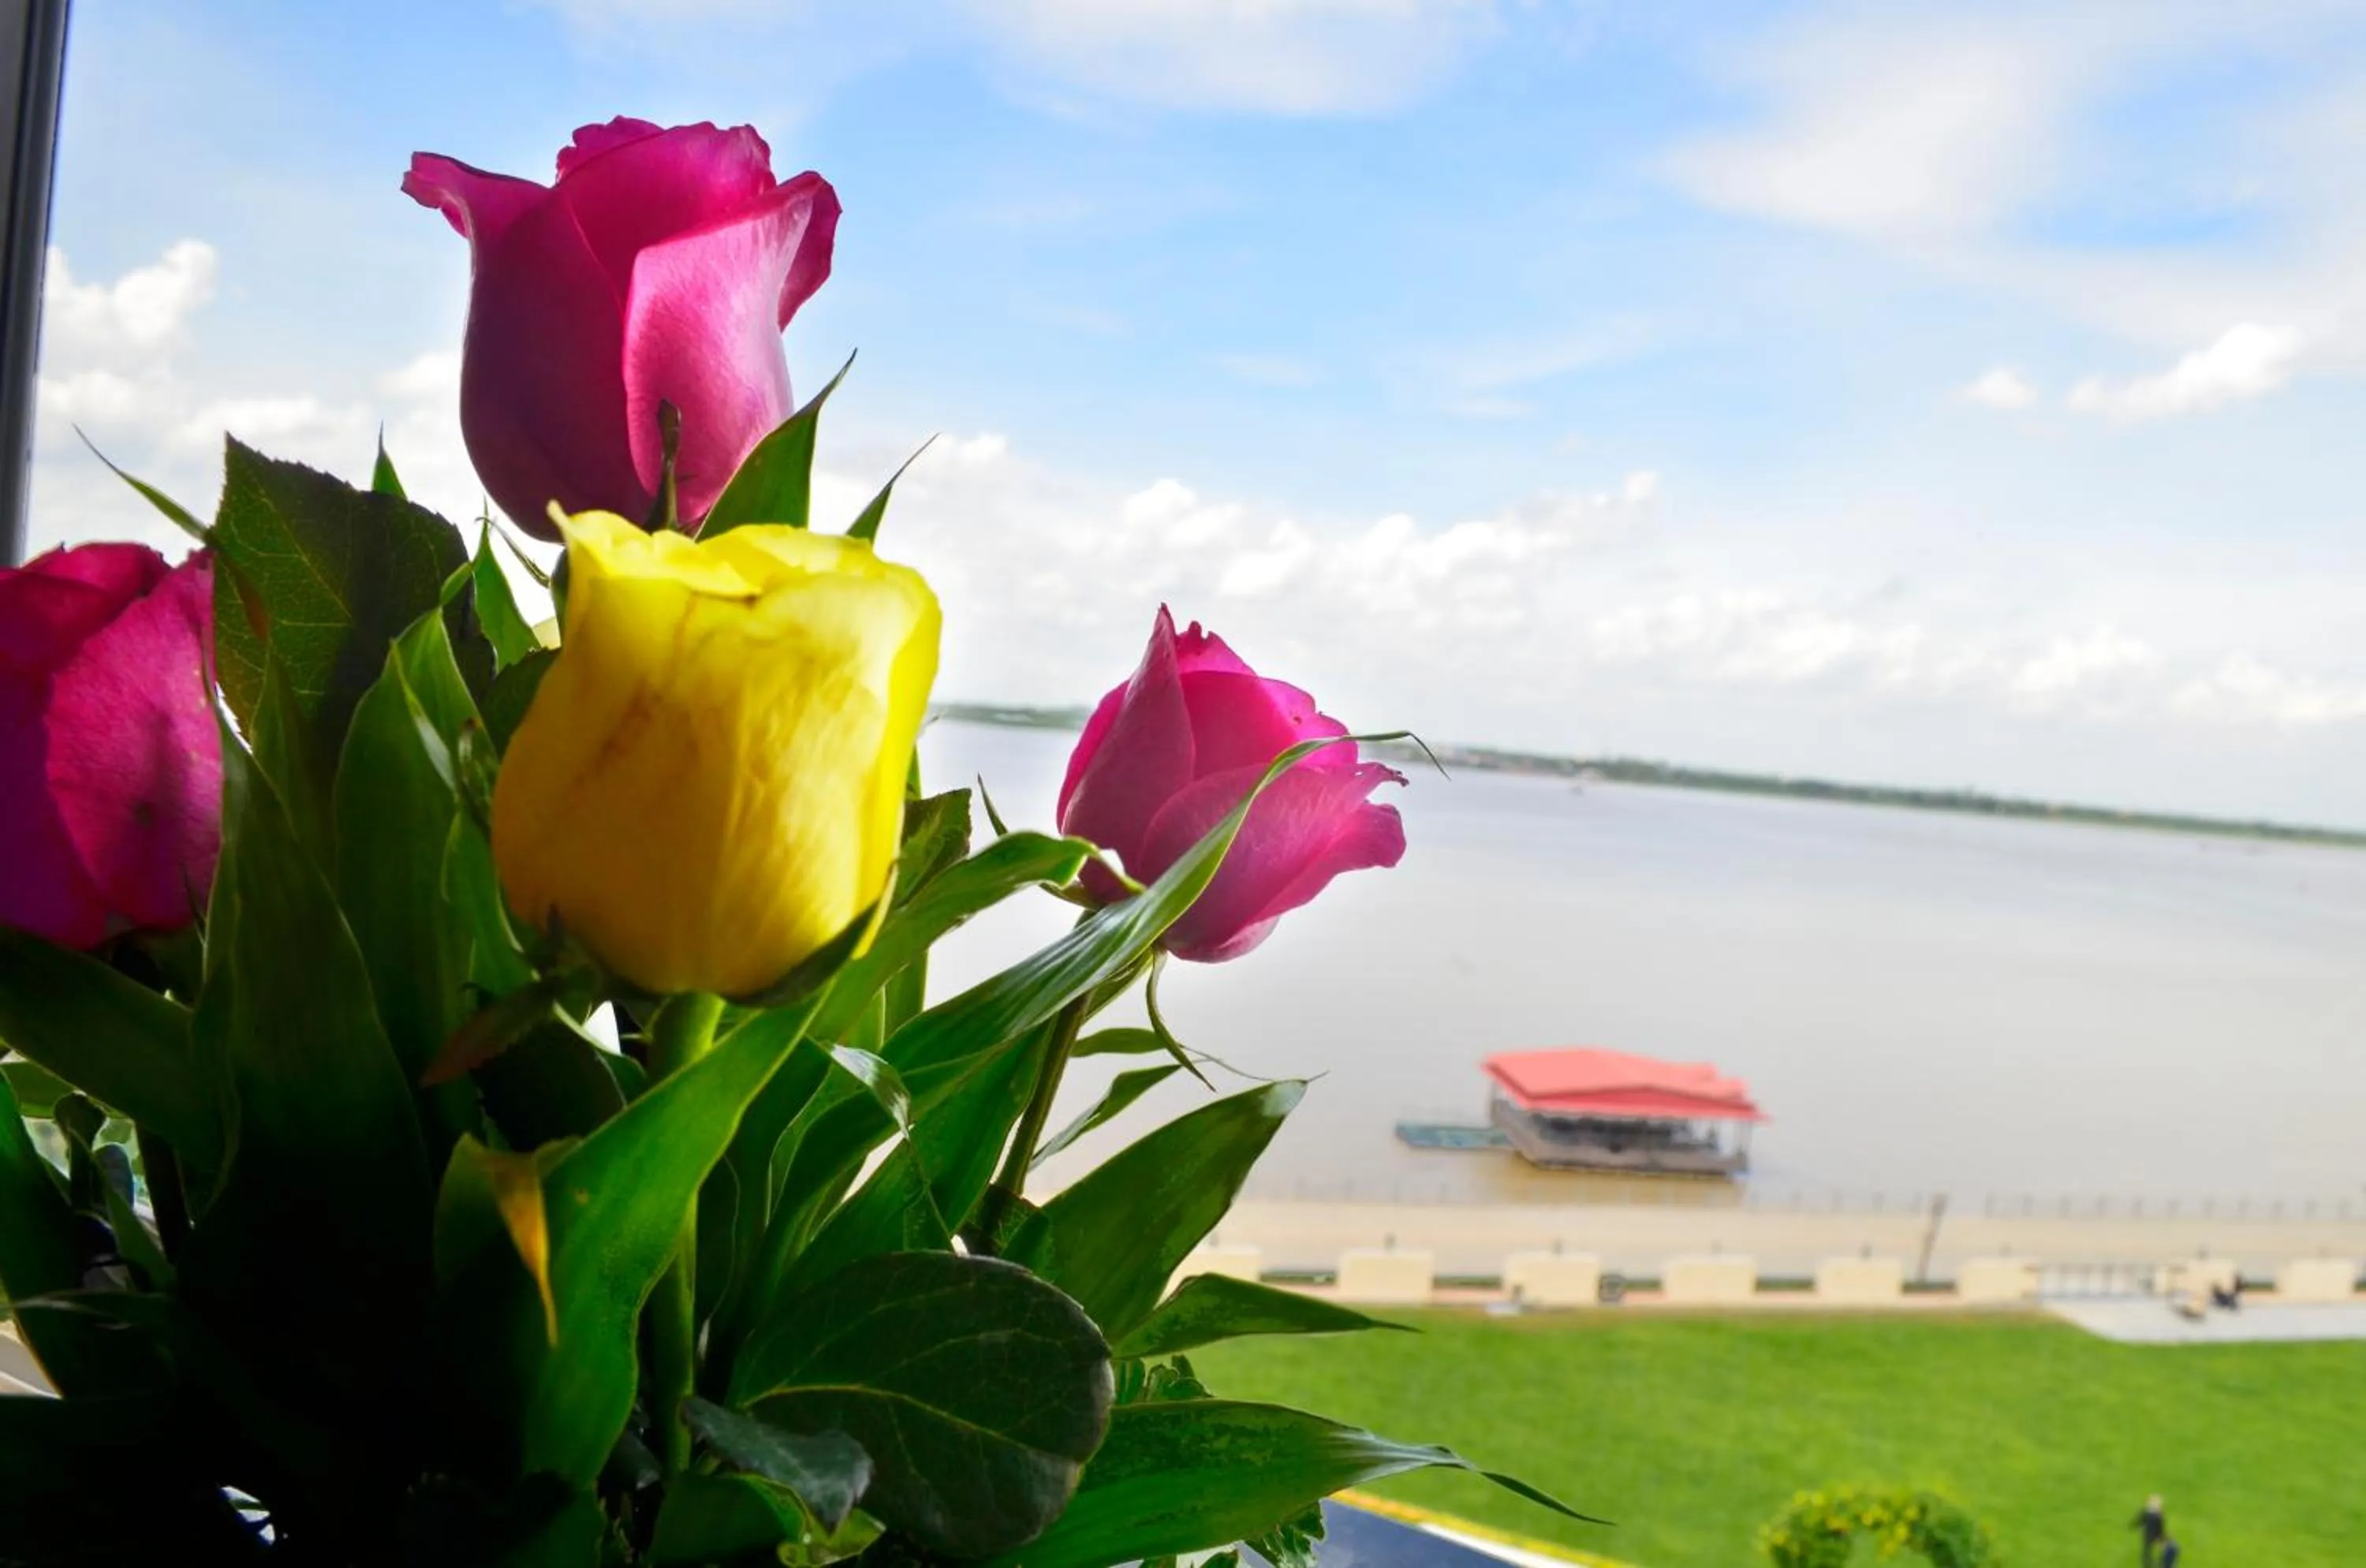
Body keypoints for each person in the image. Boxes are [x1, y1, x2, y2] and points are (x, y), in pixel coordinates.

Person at [2133, 1496, 2166, 1568]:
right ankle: (2157, 1563)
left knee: (2146, 1550)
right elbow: (2161, 1527)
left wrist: (2133, 1526)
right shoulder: (2159, 1516)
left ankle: (2147, 1563)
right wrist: (2162, 1536)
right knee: (2157, 1549)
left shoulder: (2147, 1513)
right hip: (2155, 1535)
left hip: (2147, 1535)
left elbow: (2140, 1520)